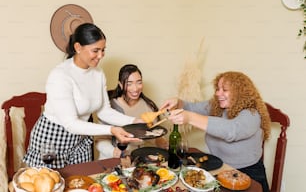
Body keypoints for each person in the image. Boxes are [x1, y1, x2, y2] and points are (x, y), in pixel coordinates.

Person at [23, 23, 142, 168]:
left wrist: (134, 121)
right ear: (78, 47)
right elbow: (70, 124)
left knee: (81, 184)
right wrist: (111, 129)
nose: (101, 56)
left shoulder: (98, 73)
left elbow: (104, 112)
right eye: (95, 50)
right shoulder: (60, 75)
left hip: (79, 139)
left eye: (103, 50)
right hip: (52, 140)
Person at [160, 71, 271, 192]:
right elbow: (192, 107)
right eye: (217, 89)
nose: (218, 93)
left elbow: (231, 131)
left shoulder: (252, 114)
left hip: (248, 173)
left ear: (239, 92)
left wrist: (190, 118)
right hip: (220, 168)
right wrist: (178, 102)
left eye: (225, 90)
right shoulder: (217, 106)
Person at [96, 64, 168, 159]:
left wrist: (161, 142)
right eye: (129, 84)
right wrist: (113, 152)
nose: (135, 88)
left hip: (141, 158)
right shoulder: (109, 109)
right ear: (121, 85)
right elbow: (100, 140)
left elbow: (153, 133)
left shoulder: (148, 106)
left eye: (139, 82)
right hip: (115, 159)